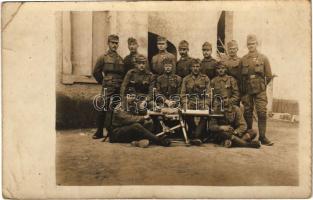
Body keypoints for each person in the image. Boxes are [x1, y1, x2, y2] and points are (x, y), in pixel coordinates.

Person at [240, 34, 274, 146]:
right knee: (248, 112)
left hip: (260, 90)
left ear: (257, 44)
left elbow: (269, 76)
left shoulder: (264, 58)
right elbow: (241, 76)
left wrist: (262, 86)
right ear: (247, 45)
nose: (251, 46)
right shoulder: (243, 59)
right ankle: (250, 135)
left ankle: (263, 137)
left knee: (262, 112)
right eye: (249, 44)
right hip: (247, 90)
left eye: (253, 43)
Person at [92, 34, 125, 139]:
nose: (114, 45)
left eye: (116, 43)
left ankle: (112, 131)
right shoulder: (103, 57)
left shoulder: (120, 59)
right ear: (108, 43)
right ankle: (99, 131)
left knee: (115, 108)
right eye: (112, 43)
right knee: (103, 107)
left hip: (118, 86)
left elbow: (123, 74)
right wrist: (103, 82)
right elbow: (96, 72)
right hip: (108, 85)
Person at [180, 58, 211, 145]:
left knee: (206, 114)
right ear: (190, 68)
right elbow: (183, 94)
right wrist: (185, 103)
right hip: (190, 101)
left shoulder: (205, 78)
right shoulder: (186, 79)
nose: (195, 68)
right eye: (193, 66)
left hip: (202, 101)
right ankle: (194, 133)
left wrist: (206, 104)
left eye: (197, 66)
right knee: (186, 113)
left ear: (200, 67)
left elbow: (209, 94)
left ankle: (197, 135)